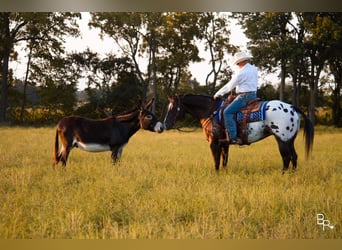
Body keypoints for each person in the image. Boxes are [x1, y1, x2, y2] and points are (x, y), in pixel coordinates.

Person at [213, 51, 258, 144]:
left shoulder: (241, 73)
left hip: (244, 96)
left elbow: (229, 86)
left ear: (241, 62)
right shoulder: (254, 69)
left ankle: (233, 137)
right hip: (253, 95)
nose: (237, 65)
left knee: (227, 112)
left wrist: (218, 94)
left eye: (237, 63)